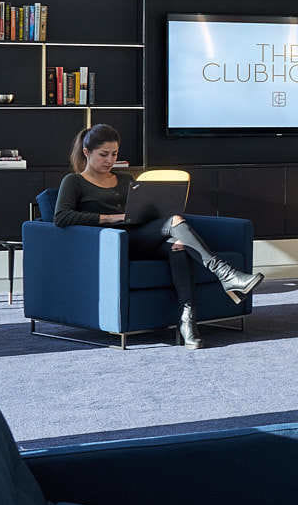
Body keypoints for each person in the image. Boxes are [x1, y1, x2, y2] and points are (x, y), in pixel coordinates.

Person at [53, 125, 263, 349]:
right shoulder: (73, 181)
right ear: (86, 152)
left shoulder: (124, 180)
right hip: (115, 244)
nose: (110, 160)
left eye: (114, 154)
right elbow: (62, 217)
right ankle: (227, 274)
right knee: (174, 222)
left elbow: (140, 213)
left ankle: (187, 321)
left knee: (178, 246)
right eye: (104, 154)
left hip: (143, 236)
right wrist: (111, 218)